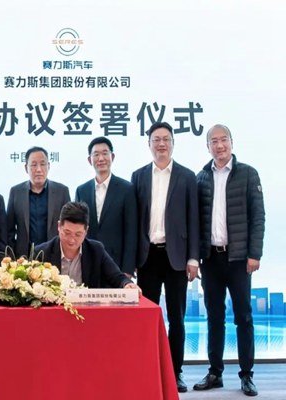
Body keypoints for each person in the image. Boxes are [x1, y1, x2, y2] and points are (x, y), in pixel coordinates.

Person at [193, 124, 265, 397]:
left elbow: (258, 217)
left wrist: (254, 254)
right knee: (214, 317)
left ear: (232, 142)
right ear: (208, 146)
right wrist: (196, 257)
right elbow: (196, 221)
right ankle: (215, 372)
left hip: (239, 259)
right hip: (211, 258)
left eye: (223, 140)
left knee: (243, 317)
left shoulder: (248, 174)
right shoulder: (201, 178)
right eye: (214, 141)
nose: (219, 145)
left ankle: (247, 375)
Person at [131, 121, 199, 393]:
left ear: (172, 143)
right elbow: (134, 221)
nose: (161, 144)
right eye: (156, 139)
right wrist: (131, 260)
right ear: (149, 144)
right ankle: (147, 368)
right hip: (147, 256)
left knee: (177, 318)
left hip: (177, 257)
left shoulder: (187, 176)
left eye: (166, 139)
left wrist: (193, 258)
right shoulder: (138, 176)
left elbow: (194, 219)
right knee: (147, 317)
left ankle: (175, 372)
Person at [34, 202, 140, 290]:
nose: (71, 240)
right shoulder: (41, 253)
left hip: (87, 307)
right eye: (67, 232)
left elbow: (117, 277)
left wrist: (127, 284)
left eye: (78, 234)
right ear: (59, 226)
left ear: (86, 231)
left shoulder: (96, 250)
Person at [75, 137, 137, 278]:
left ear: (112, 157)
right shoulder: (81, 190)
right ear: (90, 160)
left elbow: (131, 231)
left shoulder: (126, 189)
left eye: (105, 153)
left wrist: (128, 268)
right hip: (87, 261)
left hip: (117, 263)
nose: (101, 158)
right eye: (96, 154)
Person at [7, 146, 70, 258]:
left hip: (53, 255)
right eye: (34, 165)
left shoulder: (62, 191)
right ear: (26, 168)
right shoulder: (16, 192)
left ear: (48, 166)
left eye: (43, 164)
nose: (39, 169)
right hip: (24, 258)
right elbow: (9, 230)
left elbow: (68, 226)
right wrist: (12, 258)